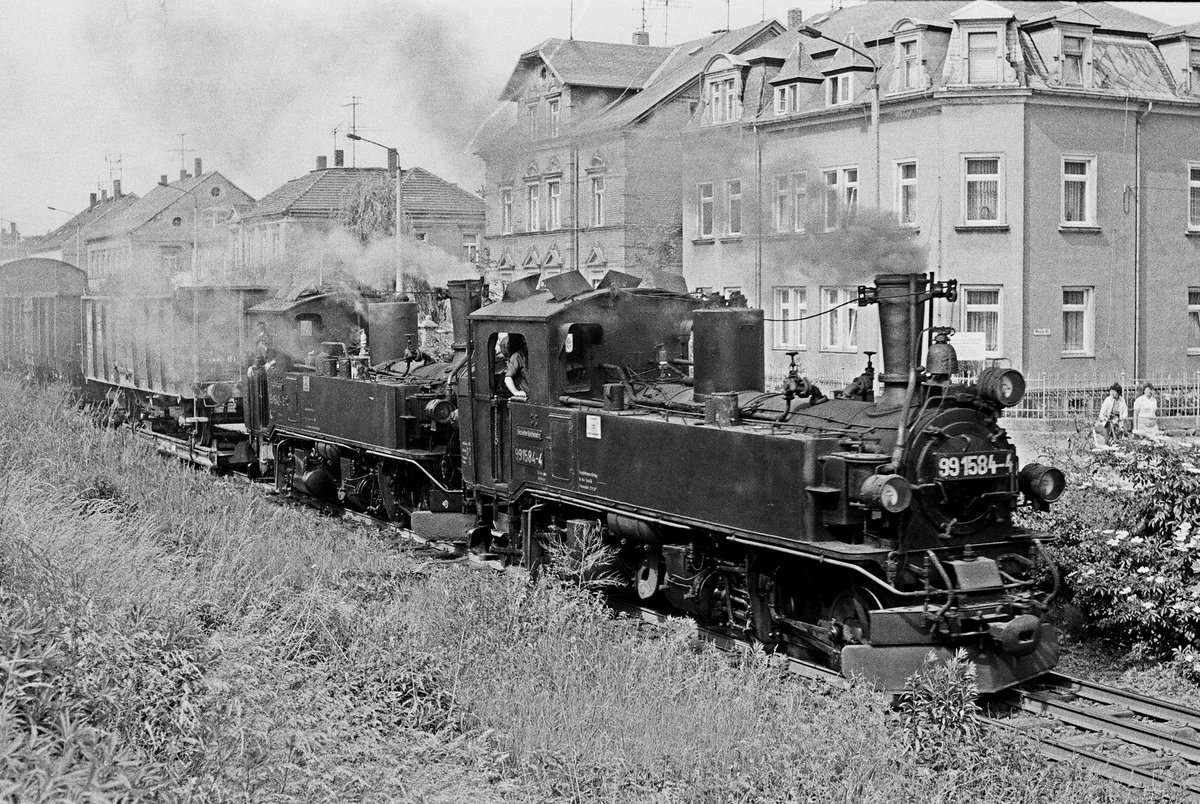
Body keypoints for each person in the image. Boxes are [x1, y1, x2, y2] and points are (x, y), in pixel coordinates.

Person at [1093, 382, 1128, 447]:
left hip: (1118, 421)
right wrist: (1105, 418)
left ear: (1118, 392)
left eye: (1114, 391)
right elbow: (1102, 413)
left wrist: (1121, 418)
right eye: (1111, 391)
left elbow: (1125, 412)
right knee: (1107, 434)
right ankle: (1106, 446)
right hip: (1108, 421)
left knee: (1121, 435)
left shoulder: (1122, 400)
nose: (1112, 393)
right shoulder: (1108, 400)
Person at [504, 333, 529, 400]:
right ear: (524, 339)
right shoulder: (518, 356)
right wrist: (516, 392)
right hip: (526, 399)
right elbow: (508, 378)